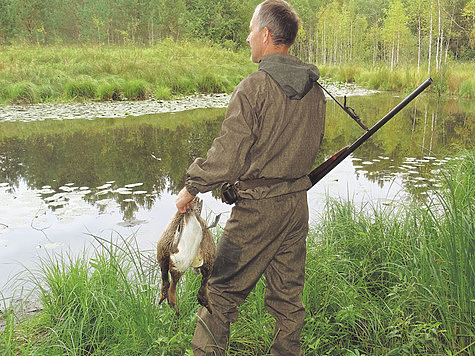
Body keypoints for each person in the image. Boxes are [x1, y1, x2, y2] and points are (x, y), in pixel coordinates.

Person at [175, 0, 326, 354]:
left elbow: (226, 158)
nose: (247, 38)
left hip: (258, 211)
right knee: (288, 300)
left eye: (251, 30)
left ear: (267, 34)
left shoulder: (254, 87)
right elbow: (308, 147)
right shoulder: (315, 91)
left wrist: (191, 186)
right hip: (296, 207)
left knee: (220, 294)